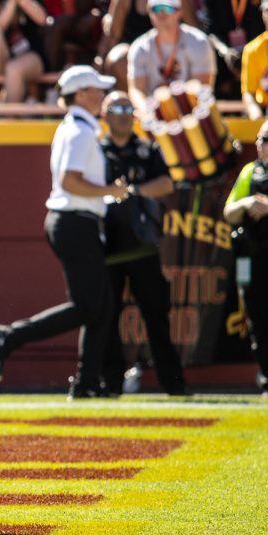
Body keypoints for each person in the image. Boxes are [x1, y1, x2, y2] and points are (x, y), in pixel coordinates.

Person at [0, 65, 130, 398]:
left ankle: (87, 383)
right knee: (87, 306)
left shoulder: (77, 127)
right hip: (74, 220)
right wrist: (111, 190)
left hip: (74, 221)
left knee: (102, 307)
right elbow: (70, 181)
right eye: (97, 89)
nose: (102, 96)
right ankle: (7, 337)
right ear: (81, 94)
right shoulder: (80, 131)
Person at [98, 91, 186, 395]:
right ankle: (108, 383)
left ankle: (173, 384)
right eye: (116, 108)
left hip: (142, 248)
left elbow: (166, 183)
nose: (123, 114)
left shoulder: (147, 150)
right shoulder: (96, 150)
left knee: (156, 315)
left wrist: (132, 191)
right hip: (106, 250)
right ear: (104, 115)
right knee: (105, 319)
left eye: (128, 108)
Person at [224, 119, 268, 397]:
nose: (259, 144)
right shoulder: (251, 171)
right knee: (261, 322)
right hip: (256, 256)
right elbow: (229, 212)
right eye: (259, 138)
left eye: (267, 138)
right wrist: (247, 204)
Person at [127, 0, 216, 103]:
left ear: (179, 12)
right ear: (149, 12)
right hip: (153, 114)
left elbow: (202, 88)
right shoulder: (139, 47)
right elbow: (136, 91)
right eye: (156, 8)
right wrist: (146, 112)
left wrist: (169, 99)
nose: (161, 13)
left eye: (168, 8)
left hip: (191, 114)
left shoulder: (199, 42)